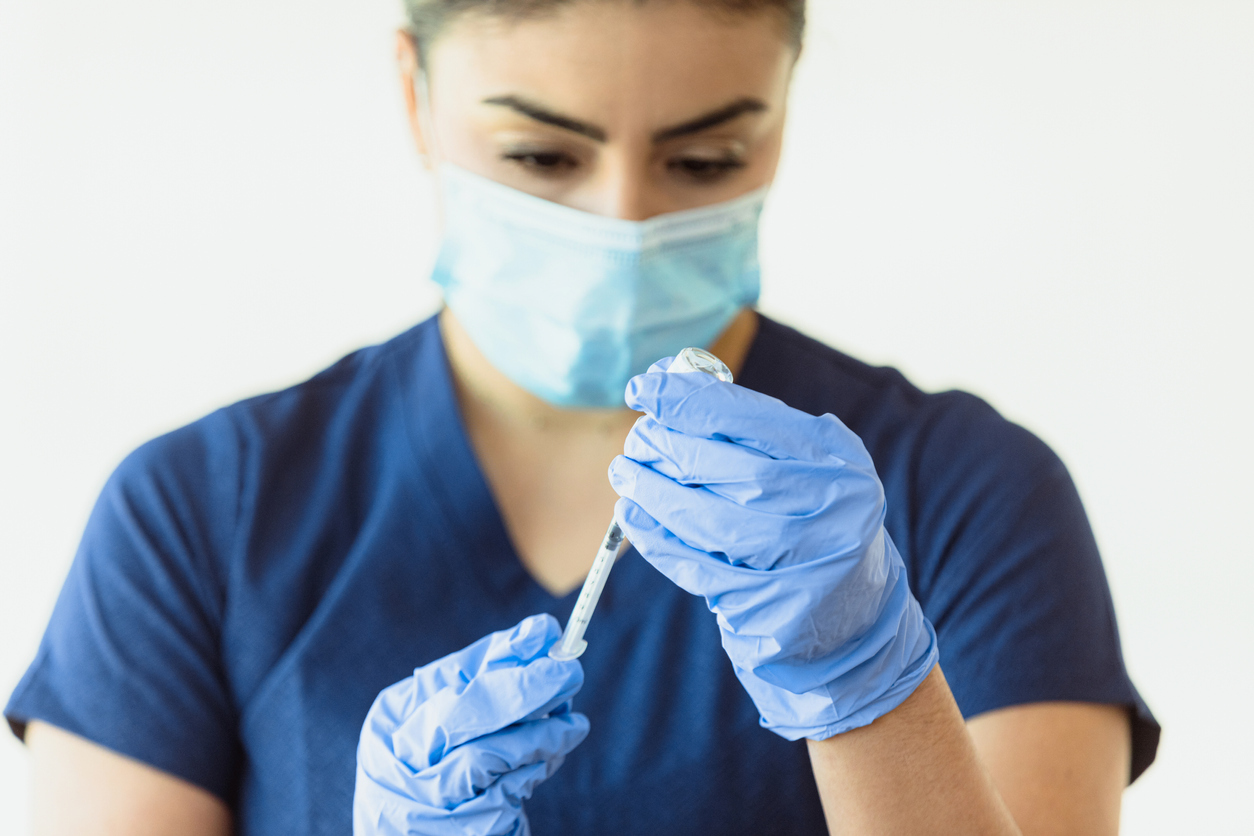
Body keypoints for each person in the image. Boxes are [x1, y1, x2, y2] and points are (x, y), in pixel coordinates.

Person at [6, 0, 1159, 834]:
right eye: (540, 153)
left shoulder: (969, 493)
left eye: (705, 157)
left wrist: (872, 684)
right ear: (414, 94)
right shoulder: (199, 514)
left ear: (783, 114)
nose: (623, 222)